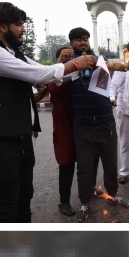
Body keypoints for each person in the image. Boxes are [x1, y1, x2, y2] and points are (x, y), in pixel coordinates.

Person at [0, 2, 96, 222]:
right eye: (19, 24)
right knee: (6, 205)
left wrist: (80, 70)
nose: (23, 29)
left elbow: (47, 74)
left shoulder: (15, 54)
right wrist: (75, 64)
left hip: (20, 141)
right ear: (2, 26)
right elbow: (38, 74)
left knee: (24, 199)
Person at [60, 27, 129, 222]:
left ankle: (113, 194)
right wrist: (72, 64)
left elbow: (111, 75)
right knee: (84, 166)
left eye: (85, 39)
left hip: (105, 120)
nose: (83, 43)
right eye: (78, 40)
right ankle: (85, 203)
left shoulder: (100, 60)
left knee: (110, 162)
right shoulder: (68, 65)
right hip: (82, 124)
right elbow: (57, 79)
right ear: (71, 43)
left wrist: (118, 65)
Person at [48, 46, 81, 217]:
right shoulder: (55, 76)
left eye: (72, 58)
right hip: (64, 126)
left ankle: (87, 193)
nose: (70, 62)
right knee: (67, 162)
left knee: (88, 158)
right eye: (65, 59)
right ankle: (64, 201)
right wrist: (60, 62)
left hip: (81, 123)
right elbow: (53, 88)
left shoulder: (78, 75)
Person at [108, 44, 129, 185]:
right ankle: (124, 172)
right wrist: (111, 97)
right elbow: (113, 86)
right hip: (125, 108)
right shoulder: (123, 68)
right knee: (126, 142)